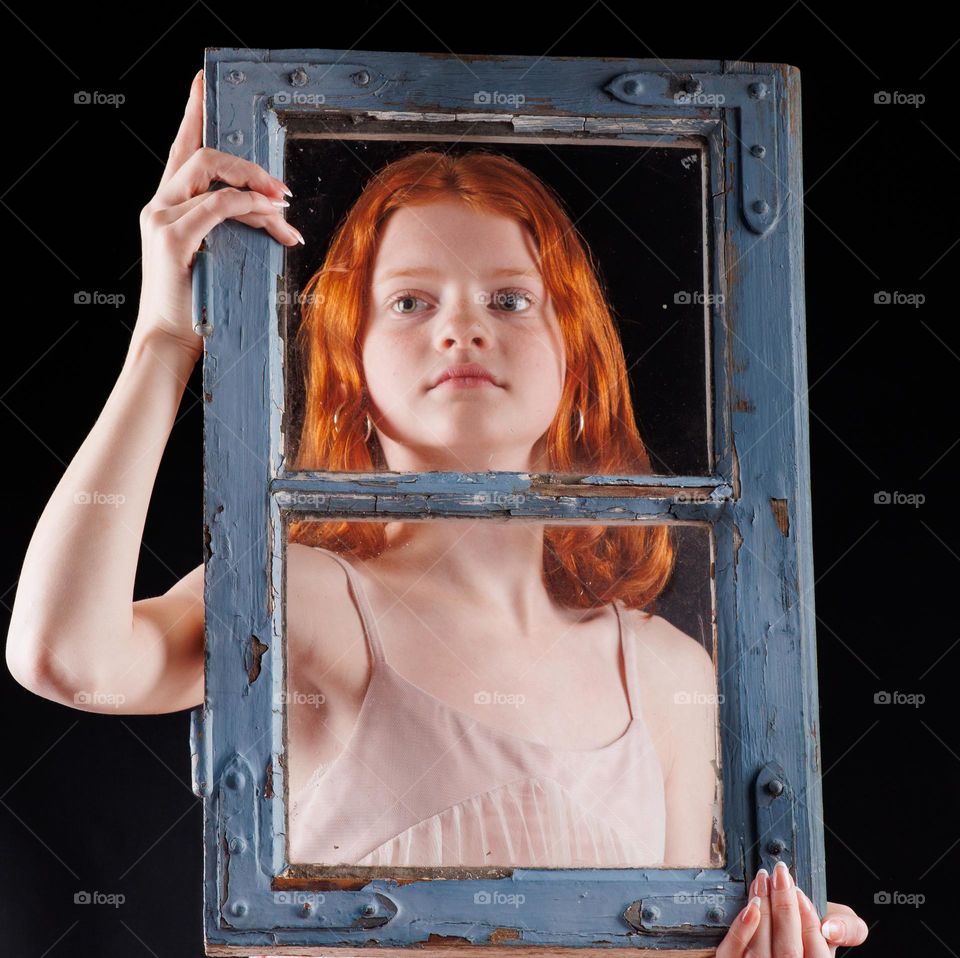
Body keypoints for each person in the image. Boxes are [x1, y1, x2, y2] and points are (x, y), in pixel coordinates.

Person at [4, 67, 868, 958]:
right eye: (410, 302)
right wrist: (164, 338)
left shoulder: (666, 675)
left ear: (576, 358)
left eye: (509, 299)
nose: (463, 328)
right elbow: (65, 655)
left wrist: (774, 940)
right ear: (353, 365)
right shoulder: (310, 603)